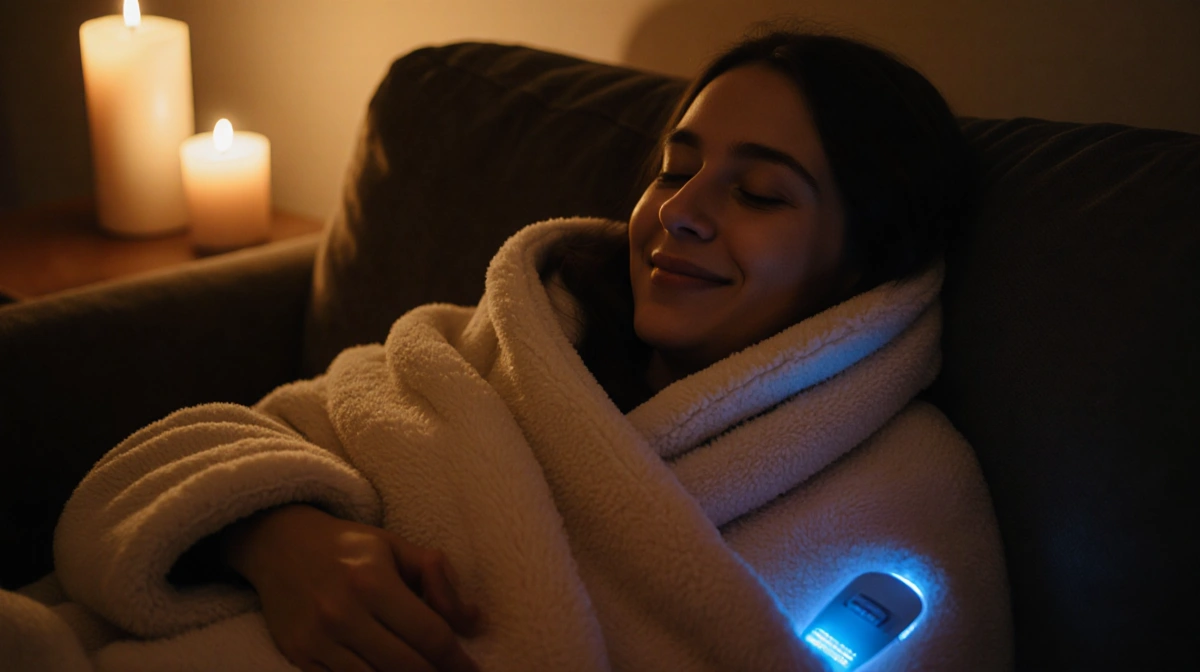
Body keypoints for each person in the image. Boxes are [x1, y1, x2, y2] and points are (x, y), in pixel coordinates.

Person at [42, 28, 1010, 672]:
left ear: (867, 256)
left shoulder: (906, 496)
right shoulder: (484, 353)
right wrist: (275, 537)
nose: (680, 212)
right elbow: (139, 485)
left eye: (758, 194)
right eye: (675, 170)